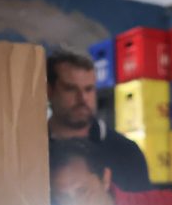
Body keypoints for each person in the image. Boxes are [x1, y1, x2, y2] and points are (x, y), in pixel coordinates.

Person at [47, 48, 150, 192]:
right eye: (70, 89)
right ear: (49, 91)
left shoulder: (127, 152)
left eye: (89, 89)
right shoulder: (30, 148)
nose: (82, 98)